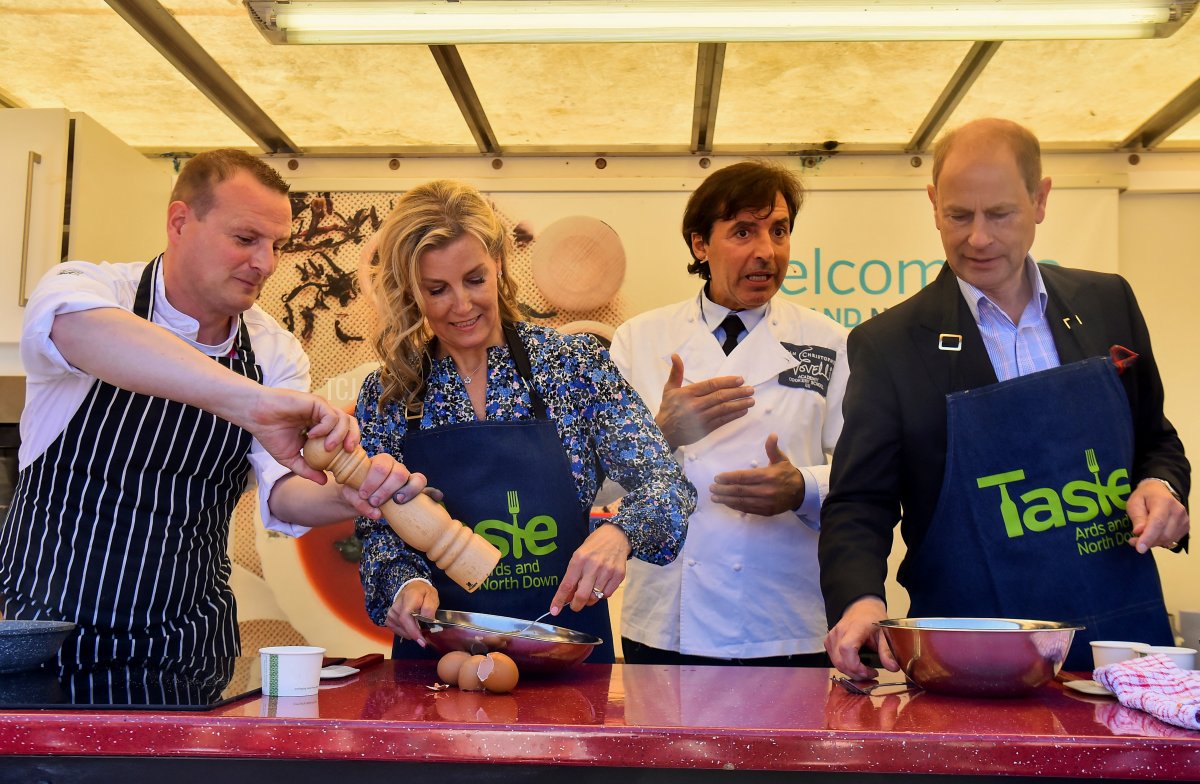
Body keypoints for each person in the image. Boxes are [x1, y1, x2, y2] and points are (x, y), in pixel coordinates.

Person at [0, 149, 416, 673]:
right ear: (179, 222)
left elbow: (283, 491)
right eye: (245, 239)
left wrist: (346, 496)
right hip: (47, 634)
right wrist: (254, 403)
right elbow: (76, 331)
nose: (265, 263)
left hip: (186, 642)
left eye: (276, 246)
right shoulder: (92, 290)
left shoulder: (272, 351)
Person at [819, 118, 1190, 677]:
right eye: (958, 215)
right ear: (932, 204)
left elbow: (1155, 440)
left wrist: (1161, 486)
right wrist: (860, 600)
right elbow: (858, 501)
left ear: (1040, 200)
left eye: (999, 214)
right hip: (969, 649)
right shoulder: (890, 345)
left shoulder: (1108, 301)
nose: (978, 238)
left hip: (1120, 640)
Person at [355, 180, 695, 663]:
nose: (462, 305)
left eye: (475, 279)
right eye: (437, 290)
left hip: (563, 647)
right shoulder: (393, 391)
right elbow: (377, 525)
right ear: (410, 292)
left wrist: (620, 533)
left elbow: (666, 484)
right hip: (442, 656)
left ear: (498, 263)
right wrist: (402, 582)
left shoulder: (573, 366)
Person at [610, 161, 849, 666]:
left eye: (778, 231)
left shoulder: (829, 342)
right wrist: (661, 433)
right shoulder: (639, 339)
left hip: (784, 623)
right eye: (743, 231)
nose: (766, 251)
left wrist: (802, 487)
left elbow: (868, 476)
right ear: (701, 244)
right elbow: (597, 486)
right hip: (667, 625)